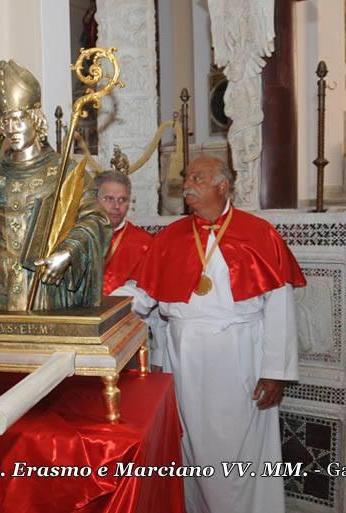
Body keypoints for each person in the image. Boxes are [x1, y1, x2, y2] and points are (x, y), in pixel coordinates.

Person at [129, 156, 305, 513]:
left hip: (239, 358)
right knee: (189, 450)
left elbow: (280, 306)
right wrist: (97, 310)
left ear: (223, 185)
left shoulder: (259, 233)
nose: (187, 184)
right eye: (186, 177)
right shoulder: (169, 237)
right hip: (184, 361)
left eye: (198, 177)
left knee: (237, 452)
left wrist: (276, 372)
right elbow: (140, 294)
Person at [0, 59, 110, 311]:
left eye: (18, 120)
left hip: (48, 295)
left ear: (35, 120)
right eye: (6, 121)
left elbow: (96, 221)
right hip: (0, 298)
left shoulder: (66, 172)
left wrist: (68, 253)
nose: (11, 129)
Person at [95, 167, 153, 296]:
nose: (116, 206)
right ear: (94, 200)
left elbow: (144, 290)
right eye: (109, 199)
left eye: (122, 200)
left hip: (122, 312)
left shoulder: (144, 243)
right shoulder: (77, 236)